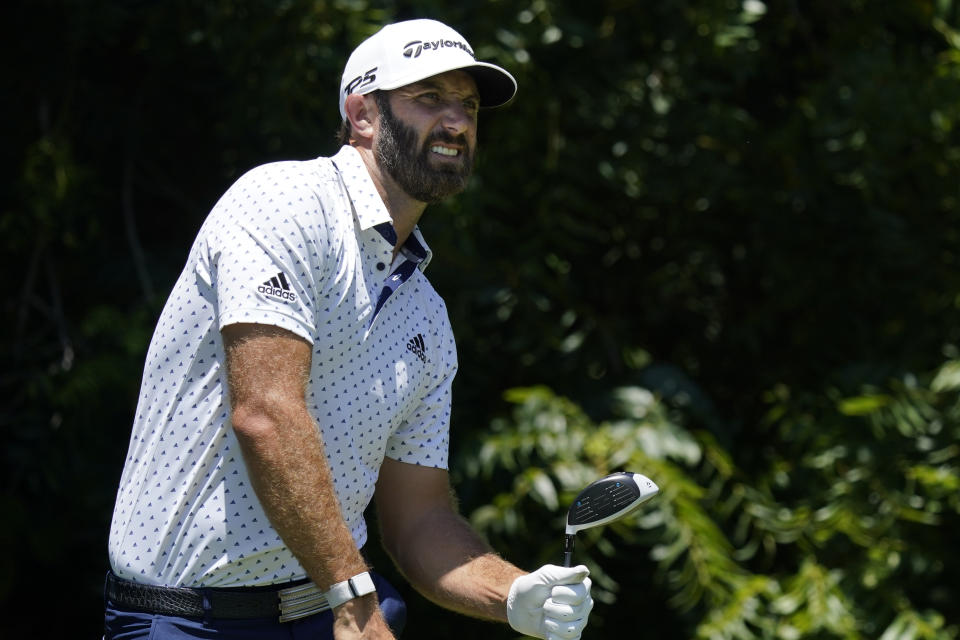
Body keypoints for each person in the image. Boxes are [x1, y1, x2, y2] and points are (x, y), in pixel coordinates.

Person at [104, 18, 594, 640]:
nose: (456, 121)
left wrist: (513, 593)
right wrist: (354, 599)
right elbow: (266, 415)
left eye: (467, 105)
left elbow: (417, 519)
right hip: (189, 620)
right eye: (428, 98)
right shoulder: (283, 201)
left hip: (327, 612)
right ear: (362, 114)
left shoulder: (427, 314)